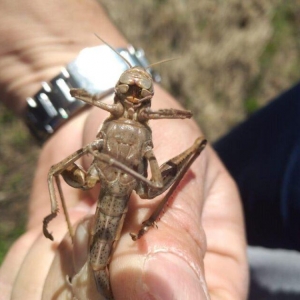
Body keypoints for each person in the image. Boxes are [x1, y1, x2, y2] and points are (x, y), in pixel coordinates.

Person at [0, 1, 248, 299]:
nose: (133, 89)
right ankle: (61, 218)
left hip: (139, 183)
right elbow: (77, 94)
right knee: (57, 171)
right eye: (127, 84)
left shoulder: (148, 120)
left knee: (189, 152)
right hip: (98, 178)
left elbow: (185, 118)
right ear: (118, 87)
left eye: (140, 88)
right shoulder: (107, 108)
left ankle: (153, 220)